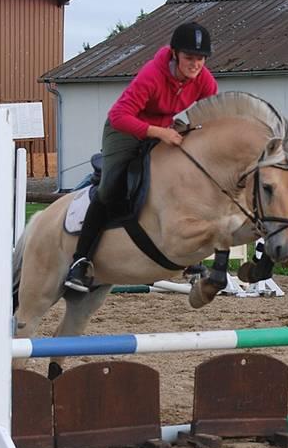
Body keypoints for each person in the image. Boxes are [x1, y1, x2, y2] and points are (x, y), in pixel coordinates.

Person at [65, 21, 219, 292]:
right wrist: (158, 131)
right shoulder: (152, 75)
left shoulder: (203, 79)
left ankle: (189, 256)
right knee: (111, 187)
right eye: (189, 58)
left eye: (200, 58)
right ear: (174, 54)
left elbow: (213, 107)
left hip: (163, 129)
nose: (195, 64)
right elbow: (119, 116)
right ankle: (80, 260)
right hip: (125, 129)